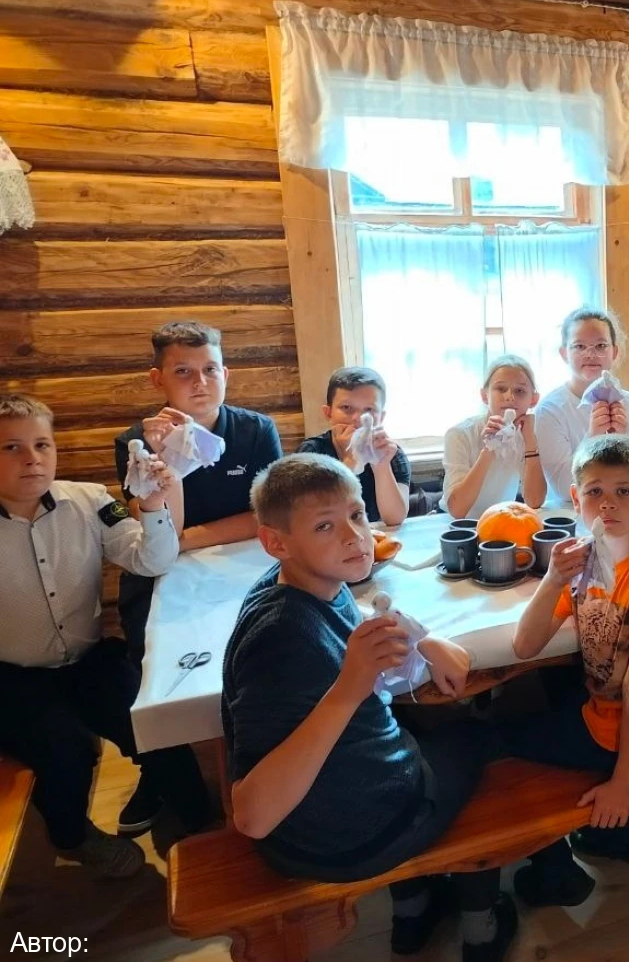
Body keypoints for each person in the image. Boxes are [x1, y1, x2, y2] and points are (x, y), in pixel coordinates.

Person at [222, 454, 514, 960]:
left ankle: (413, 910)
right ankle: (481, 925)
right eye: (325, 526)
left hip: (325, 821)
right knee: (477, 731)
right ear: (276, 542)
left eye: (357, 515)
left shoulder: (304, 583)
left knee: (419, 722)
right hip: (348, 840)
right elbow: (253, 817)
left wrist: (420, 638)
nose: (355, 537)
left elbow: (349, 622)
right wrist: (349, 688)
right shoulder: (281, 639)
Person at [0, 393, 190, 878]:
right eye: (11, 448)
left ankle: (194, 811)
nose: (32, 458)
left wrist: (152, 505)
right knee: (64, 750)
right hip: (15, 673)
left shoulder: (90, 501)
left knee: (153, 718)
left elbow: (152, 560)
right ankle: (73, 838)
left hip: (88, 657)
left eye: (41, 444)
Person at [505, 435, 629, 904]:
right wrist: (554, 578)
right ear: (576, 498)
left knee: (491, 740)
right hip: (598, 710)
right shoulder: (588, 559)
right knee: (524, 694)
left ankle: (555, 871)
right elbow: (525, 645)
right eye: (594, 491)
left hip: (621, 735)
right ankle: (602, 842)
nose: (607, 504)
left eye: (623, 491)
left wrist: (623, 784)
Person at [114, 320, 278, 837]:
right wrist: (169, 458)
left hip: (244, 560)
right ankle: (163, 769)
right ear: (157, 379)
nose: (200, 382)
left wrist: (185, 539)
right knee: (152, 661)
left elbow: (267, 515)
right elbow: (163, 530)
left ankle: (266, 744)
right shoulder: (136, 442)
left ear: (226, 373)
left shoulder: (255, 430)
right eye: (183, 371)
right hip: (164, 571)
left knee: (266, 641)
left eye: (210, 369)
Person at [535, 308, 629, 507]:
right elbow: (563, 490)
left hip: (624, 511)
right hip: (569, 514)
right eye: (579, 346)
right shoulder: (550, 409)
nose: (590, 354)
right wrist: (592, 438)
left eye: (601, 346)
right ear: (564, 354)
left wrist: (622, 441)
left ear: (614, 352)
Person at [297, 366, 409, 525]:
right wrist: (349, 461)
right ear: (328, 413)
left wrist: (381, 465)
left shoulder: (392, 454)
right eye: (347, 408)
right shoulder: (310, 454)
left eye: (369, 410)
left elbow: (394, 518)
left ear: (381, 417)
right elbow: (313, 518)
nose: (358, 418)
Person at [443, 354, 546, 519]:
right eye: (501, 389)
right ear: (485, 395)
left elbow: (535, 501)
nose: (509, 396)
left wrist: (530, 442)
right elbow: (457, 510)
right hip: (456, 524)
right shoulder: (459, 434)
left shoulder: (528, 434)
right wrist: (488, 449)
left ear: (533, 400)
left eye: (520, 391)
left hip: (501, 519)